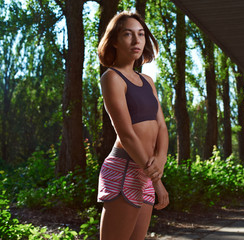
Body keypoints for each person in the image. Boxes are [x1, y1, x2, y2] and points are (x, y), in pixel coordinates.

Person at [97, 11, 169, 240]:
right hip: (125, 168)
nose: (137, 41)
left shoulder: (148, 81)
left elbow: (162, 127)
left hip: (146, 170)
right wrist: (157, 181)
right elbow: (126, 135)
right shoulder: (112, 78)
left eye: (141, 34)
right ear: (115, 41)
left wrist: (160, 161)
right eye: (128, 34)